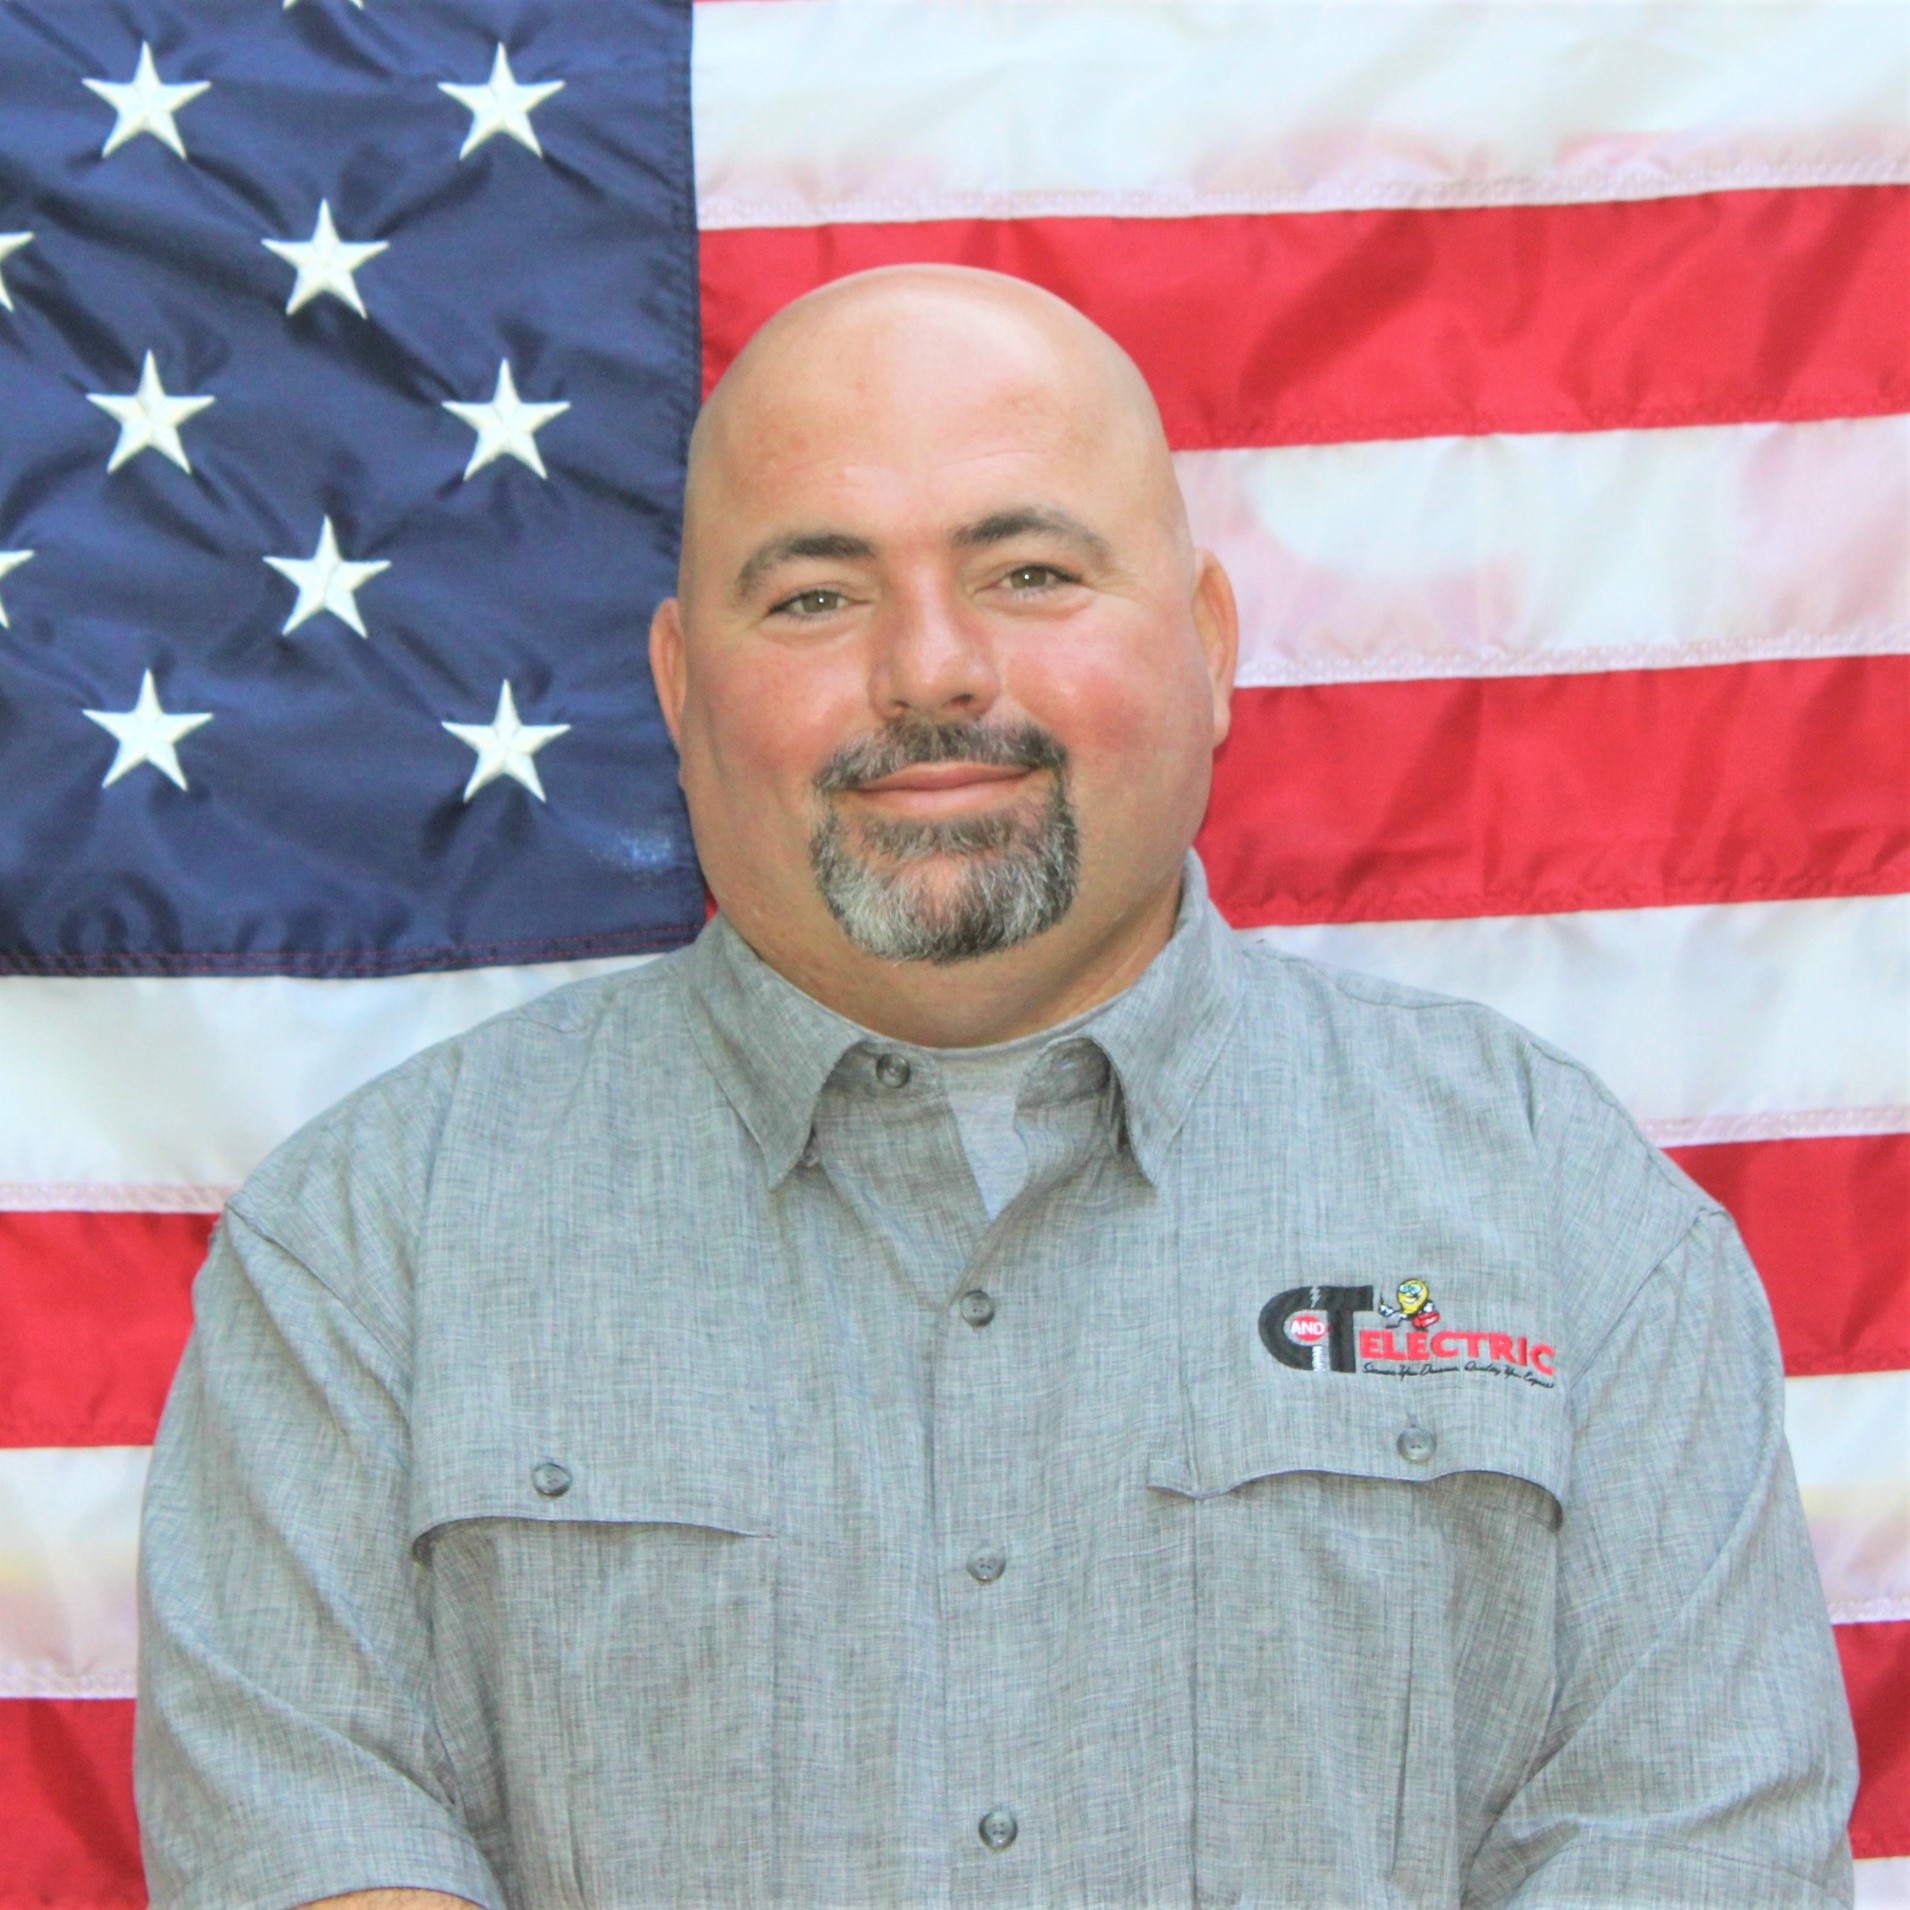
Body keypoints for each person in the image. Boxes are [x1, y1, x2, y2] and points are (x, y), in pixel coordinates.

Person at [135, 266, 1858, 1908]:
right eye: (815, 596)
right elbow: (304, 1847)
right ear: (679, 686)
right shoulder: (372, 1248)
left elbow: (1696, 1853)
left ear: (1208, 645)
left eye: (1029, 572)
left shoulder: (1558, 1209)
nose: (932, 669)